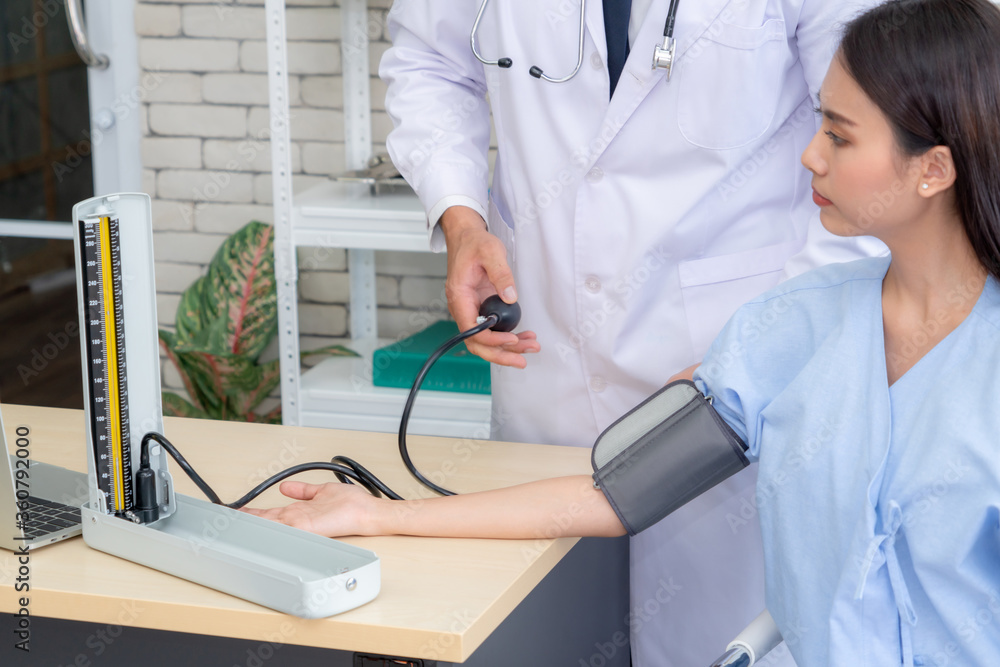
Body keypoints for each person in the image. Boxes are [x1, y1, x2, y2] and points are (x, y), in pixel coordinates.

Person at [250, 0, 1000, 663]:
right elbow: (613, 494)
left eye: (835, 134)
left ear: (933, 169)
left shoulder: (891, 348)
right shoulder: (784, 337)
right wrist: (378, 514)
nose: (810, 153)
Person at [377, 1, 885, 664]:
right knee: (543, 626)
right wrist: (460, 217)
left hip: (733, 359)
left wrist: (773, 345)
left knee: (718, 633)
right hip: (549, 349)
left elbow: (878, 130)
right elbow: (429, 59)